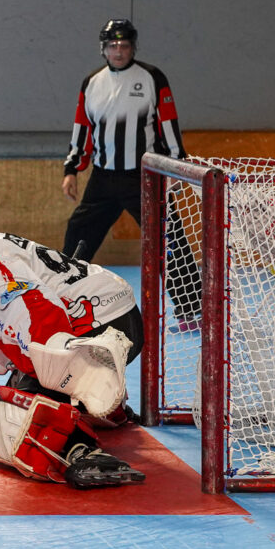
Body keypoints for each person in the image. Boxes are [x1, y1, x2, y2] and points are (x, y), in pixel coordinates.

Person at [0, 200, 145, 489]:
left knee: (40, 376)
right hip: (109, 311)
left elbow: (40, 311)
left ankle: (79, 451)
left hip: (107, 323)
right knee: (32, 367)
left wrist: (40, 378)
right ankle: (110, 409)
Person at [61, 19, 202, 329]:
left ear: (133, 48)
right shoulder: (92, 83)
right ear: (104, 49)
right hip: (103, 178)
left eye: (125, 45)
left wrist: (178, 165)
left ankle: (192, 308)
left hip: (144, 178)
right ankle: (61, 302)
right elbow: (82, 130)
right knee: (77, 234)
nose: (119, 51)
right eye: (113, 46)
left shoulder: (152, 78)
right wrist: (72, 169)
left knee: (170, 238)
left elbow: (169, 124)